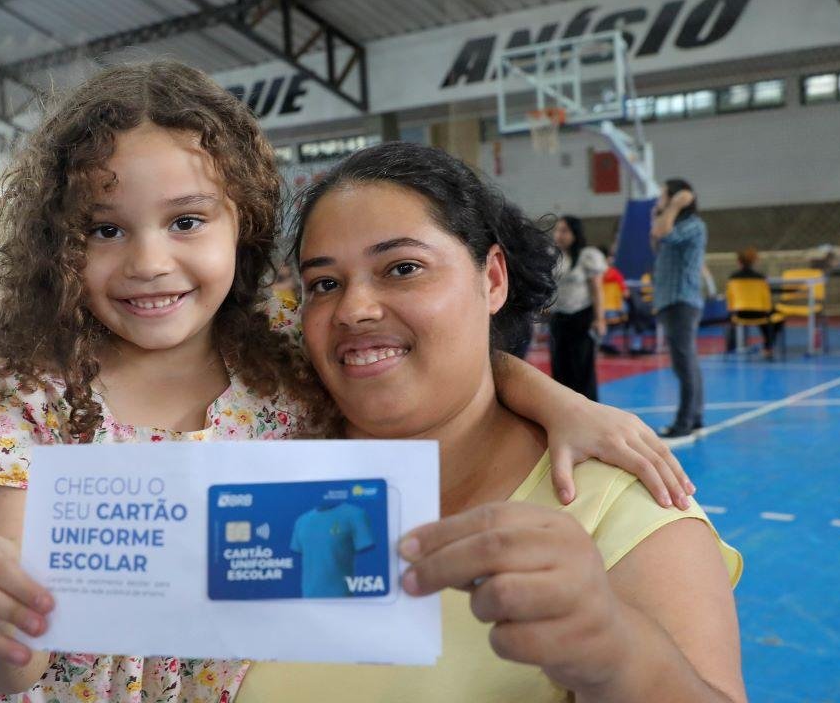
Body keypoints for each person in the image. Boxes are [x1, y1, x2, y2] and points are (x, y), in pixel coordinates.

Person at [0, 63, 692, 703]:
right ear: (58, 242)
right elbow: (15, 644)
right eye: (104, 228)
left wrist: (561, 402)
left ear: (244, 224)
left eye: (186, 221)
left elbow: (420, 346)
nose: (149, 261)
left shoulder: (280, 354)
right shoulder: (17, 391)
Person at [236, 142, 744, 702]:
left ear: (493, 278)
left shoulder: (623, 503)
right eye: (324, 284)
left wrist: (620, 655)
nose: (354, 309)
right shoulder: (258, 470)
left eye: (403, 268)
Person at [650, 179, 706, 439]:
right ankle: (694, 417)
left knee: (684, 365)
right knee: (687, 364)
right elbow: (655, 240)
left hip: (681, 302)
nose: (659, 199)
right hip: (670, 302)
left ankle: (684, 422)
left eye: (663, 195)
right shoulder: (675, 222)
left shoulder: (693, 225)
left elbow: (664, 234)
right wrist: (661, 213)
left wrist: (671, 206)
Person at [548, 215, 606, 400]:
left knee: (582, 368)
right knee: (559, 368)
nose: (559, 235)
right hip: (559, 319)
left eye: (564, 231)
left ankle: (590, 411)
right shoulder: (553, 256)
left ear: (575, 233)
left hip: (581, 318)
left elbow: (597, 289)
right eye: (557, 230)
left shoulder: (588, 255)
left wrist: (600, 318)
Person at [726, 247, 783, 360]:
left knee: (735, 320)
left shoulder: (732, 278)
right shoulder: (761, 278)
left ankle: (731, 346)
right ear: (755, 261)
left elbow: (730, 298)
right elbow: (766, 300)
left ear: (739, 262)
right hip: (760, 314)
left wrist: (732, 311)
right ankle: (768, 347)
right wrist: (766, 310)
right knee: (776, 318)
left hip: (739, 313)